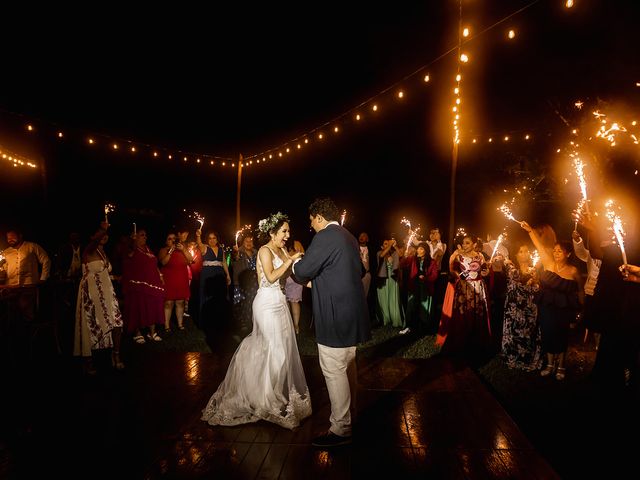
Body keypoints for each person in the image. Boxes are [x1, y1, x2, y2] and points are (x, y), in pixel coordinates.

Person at [201, 212, 311, 429]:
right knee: (274, 350)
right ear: (272, 232)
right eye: (284, 231)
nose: (287, 235)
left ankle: (270, 394)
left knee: (281, 351)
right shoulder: (264, 250)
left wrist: (310, 284)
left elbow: (287, 275)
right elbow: (270, 276)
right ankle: (264, 399)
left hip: (280, 302)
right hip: (266, 304)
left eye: (288, 231)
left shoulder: (280, 250)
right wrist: (290, 259)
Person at [292, 197, 371, 448]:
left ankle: (341, 429)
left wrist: (295, 261)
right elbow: (358, 270)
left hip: (336, 313)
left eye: (311, 221)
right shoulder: (348, 235)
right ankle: (352, 415)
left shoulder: (325, 236)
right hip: (353, 312)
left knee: (333, 369)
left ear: (319, 217)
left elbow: (302, 271)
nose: (311, 226)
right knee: (348, 365)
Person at [74, 221, 124, 374]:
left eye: (105, 234)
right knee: (90, 324)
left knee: (117, 322)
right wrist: (103, 229)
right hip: (91, 291)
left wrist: (115, 277)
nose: (103, 236)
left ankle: (116, 355)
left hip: (107, 291)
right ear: (92, 237)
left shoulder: (103, 251)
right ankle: (87, 361)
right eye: (99, 234)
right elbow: (94, 244)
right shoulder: (88, 250)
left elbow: (104, 272)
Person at [230, 233, 258, 337]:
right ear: (242, 242)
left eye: (251, 241)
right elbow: (235, 257)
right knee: (240, 305)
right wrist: (235, 252)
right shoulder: (239, 252)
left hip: (254, 285)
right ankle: (240, 327)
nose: (249, 243)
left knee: (252, 304)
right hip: (241, 285)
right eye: (247, 241)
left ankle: (251, 325)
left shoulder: (256, 252)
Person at [284, 240, 305, 334]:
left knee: (285, 302)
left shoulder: (281, 243)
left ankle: (287, 325)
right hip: (296, 274)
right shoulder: (298, 243)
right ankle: (296, 326)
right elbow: (303, 255)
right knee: (294, 301)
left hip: (285, 273)